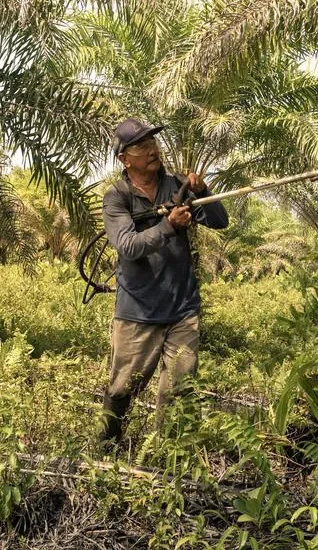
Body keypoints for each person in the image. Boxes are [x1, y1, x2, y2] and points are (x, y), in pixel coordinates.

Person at [96, 118, 228, 446]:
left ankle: (168, 457)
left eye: (153, 143)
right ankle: (107, 447)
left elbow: (219, 220)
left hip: (183, 309)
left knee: (179, 391)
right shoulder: (117, 197)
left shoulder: (176, 186)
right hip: (138, 311)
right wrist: (168, 226)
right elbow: (127, 246)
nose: (152, 150)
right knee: (123, 387)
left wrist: (201, 191)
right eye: (141, 146)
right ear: (125, 159)